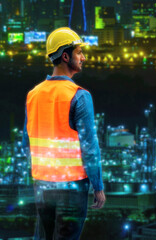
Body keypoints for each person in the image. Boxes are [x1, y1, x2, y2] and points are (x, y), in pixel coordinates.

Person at [22, 27, 106, 240]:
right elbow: (89, 147)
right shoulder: (79, 96)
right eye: (79, 52)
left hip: (41, 183)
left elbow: (27, 140)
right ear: (65, 56)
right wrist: (98, 186)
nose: (83, 57)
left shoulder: (33, 95)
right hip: (71, 185)